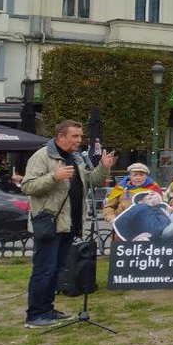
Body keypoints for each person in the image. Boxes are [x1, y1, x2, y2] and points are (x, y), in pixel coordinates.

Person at [21, 120, 115, 327]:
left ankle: (48, 310)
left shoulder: (76, 158)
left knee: (56, 269)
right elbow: (27, 186)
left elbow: (91, 182)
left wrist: (103, 168)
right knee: (43, 269)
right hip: (49, 222)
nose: (79, 140)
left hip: (69, 223)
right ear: (60, 137)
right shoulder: (42, 156)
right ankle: (35, 315)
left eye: (80, 136)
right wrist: (53, 177)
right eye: (75, 136)